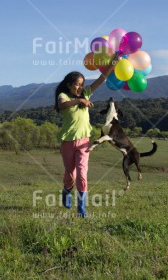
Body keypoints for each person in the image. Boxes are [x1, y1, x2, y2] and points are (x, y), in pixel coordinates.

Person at [54, 54, 119, 217]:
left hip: (84, 142)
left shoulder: (87, 93)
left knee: (82, 174)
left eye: (82, 85)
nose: (80, 88)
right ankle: (66, 190)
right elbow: (62, 106)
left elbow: (102, 78)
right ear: (69, 85)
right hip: (68, 142)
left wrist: (113, 63)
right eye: (77, 85)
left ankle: (81, 209)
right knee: (70, 175)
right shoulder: (64, 96)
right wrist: (79, 101)